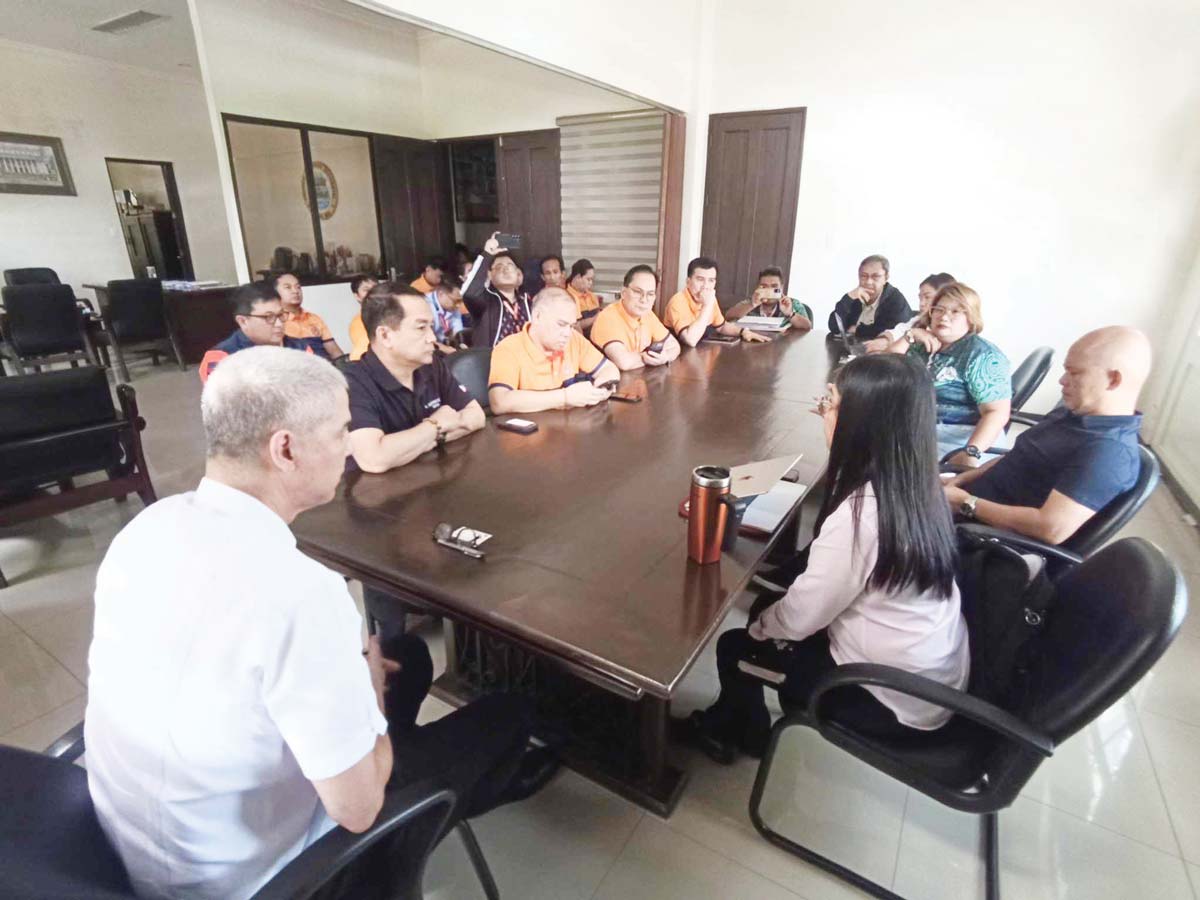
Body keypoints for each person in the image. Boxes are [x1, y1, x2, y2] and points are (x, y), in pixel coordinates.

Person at [86, 346, 555, 900]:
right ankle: (462, 799)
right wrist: (368, 693)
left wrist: (359, 683)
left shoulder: (148, 528)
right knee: (509, 712)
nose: (347, 448)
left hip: (144, 841)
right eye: (339, 432)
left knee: (410, 653)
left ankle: (389, 744)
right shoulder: (301, 593)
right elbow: (357, 811)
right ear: (285, 448)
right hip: (265, 877)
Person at [677, 353, 968, 762]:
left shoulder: (863, 514)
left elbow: (802, 617)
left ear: (863, 422)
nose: (822, 413)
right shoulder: (919, 482)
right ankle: (743, 719)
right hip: (930, 675)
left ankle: (735, 734)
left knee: (735, 645)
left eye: (829, 403)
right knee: (770, 606)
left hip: (887, 700)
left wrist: (760, 629)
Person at [944, 326, 1152, 544]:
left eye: (1075, 373)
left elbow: (1050, 528)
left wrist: (967, 503)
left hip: (979, 539)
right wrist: (960, 480)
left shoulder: (1109, 451)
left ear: (1113, 380)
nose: (1062, 380)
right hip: (962, 509)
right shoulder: (1071, 414)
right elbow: (1017, 457)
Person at [346, 284, 484, 474]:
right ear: (385, 335)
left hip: (434, 479)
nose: (432, 337)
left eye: (431, 326)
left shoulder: (431, 364)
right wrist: (435, 425)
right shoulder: (352, 382)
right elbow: (374, 459)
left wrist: (421, 441)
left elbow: (476, 416)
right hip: (379, 496)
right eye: (421, 328)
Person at [900, 282, 1011, 463]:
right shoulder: (922, 345)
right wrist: (908, 336)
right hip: (918, 434)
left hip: (959, 441)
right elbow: (883, 373)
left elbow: (997, 412)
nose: (944, 316)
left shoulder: (983, 356)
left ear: (971, 318)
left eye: (955, 311)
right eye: (939, 309)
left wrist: (971, 452)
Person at [488, 287, 619, 414]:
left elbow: (609, 369)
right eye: (561, 324)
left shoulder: (574, 339)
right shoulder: (508, 348)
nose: (567, 333)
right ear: (537, 317)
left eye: (572, 326)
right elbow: (499, 402)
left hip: (570, 429)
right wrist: (564, 397)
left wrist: (600, 389)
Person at [198, 283, 312, 383]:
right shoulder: (221, 358)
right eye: (268, 317)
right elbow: (224, 402)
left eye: (281, 315)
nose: (278, 324)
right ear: (243, 321)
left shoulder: (300, 348)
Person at [589, 264, 681, 370]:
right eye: (638, 292)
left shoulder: (647, 314)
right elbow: (624, 362)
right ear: (623, 293)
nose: (644, 300)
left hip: (638, 380)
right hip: (607, 383)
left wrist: (665, 357)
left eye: (650, 294)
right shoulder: (608, 317)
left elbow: (674, 345)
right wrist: (651, 357)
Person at [663, 256, 770, 346]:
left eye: (711, 281)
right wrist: (707, 305)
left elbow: (721, 326)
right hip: (678, 358)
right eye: (700, 279)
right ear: (688, 281)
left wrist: (743, 331)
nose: (705, 286)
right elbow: (691, 340)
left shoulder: (710, 299)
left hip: (701, 354)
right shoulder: (678, 301)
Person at [462, 232, 533, 348]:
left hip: (526, 362)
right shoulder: (484, 301)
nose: (506, 270)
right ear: (489, 275)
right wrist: (487, 254)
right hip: (492, 362)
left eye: (510, 266)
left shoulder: (528, 302)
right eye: (499, 267)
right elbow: (469, 293)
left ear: (518, 273)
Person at [864, 272, 955, 353]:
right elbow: (898, 331)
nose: (921, 304)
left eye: (927, 297)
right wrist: (884, 340)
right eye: (920, 298)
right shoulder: (918, 320)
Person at [827, 255, 913, 340]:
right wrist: (849, 297)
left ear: (886, 277)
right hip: (856, 349)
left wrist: (858, 330)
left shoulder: (895, 299)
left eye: (875, 276)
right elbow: (834, 326)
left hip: (884, 352)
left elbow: (896, 331)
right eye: (863, 276)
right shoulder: (856, 297)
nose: (868, 282)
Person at [274, 272, 344, 359]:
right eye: (288, 287)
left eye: (298, 287)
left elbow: (334, 351)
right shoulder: (275, 322)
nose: (295, 291)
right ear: (275, 293)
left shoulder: (314, 318)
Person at [726, 266, 813, 333]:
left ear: (782, 288)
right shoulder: (751, 301)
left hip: (783, 347)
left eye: (774, 287)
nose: (769, 291)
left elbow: (807, 326)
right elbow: (728, 316)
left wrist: (790, 314)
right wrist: (752, 305)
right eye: (764, 286)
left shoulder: (792, 303)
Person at [427, 280, 466, 351]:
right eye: (456, 301)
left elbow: (458, 331)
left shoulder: (452, 307)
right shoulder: (426, 306)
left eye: (461, 301)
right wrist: (445, 349)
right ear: (441, 294)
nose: (458, 305)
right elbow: (426, 340)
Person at [347, 274, 378, 362]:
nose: (373, 293)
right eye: (366, 290)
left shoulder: (391, 314)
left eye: (376, 288)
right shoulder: (358, 323)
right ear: (357, 296)